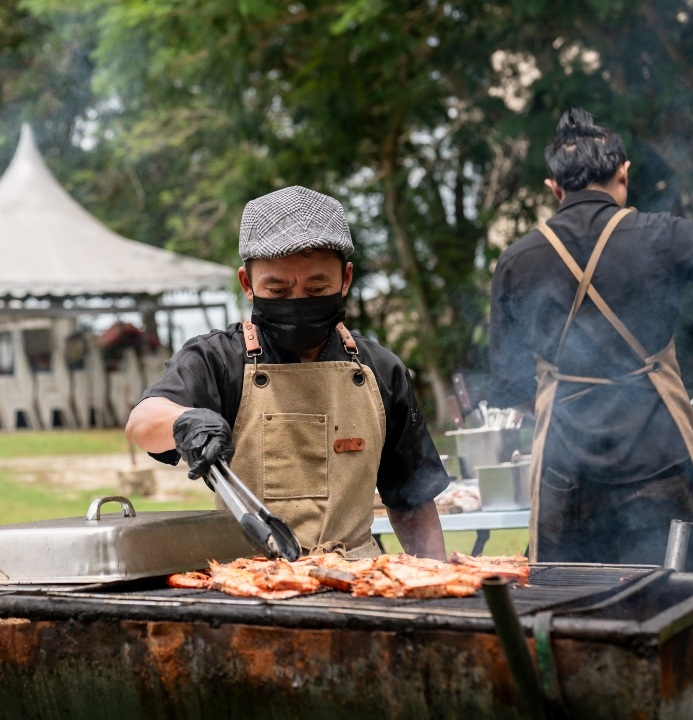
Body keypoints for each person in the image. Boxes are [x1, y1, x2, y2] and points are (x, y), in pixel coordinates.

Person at [125, 186, 450, 560]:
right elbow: (142, 422)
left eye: (317, 289)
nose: (297, 303)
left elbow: (412, 499)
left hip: (361, 580)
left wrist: (438, 581)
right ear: (247, 285)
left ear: (345, 279)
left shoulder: (380, 369)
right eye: (277, 291)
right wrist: (184, 422)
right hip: (251, 580)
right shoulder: (218, 360)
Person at [489, 108, 693, 571]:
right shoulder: (663, 235)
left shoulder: (516, 260)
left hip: (565, 479)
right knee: (682, 610)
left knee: (572, 615)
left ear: (554, 187)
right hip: (660, 466)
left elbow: (509, 385)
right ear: (623, 173)